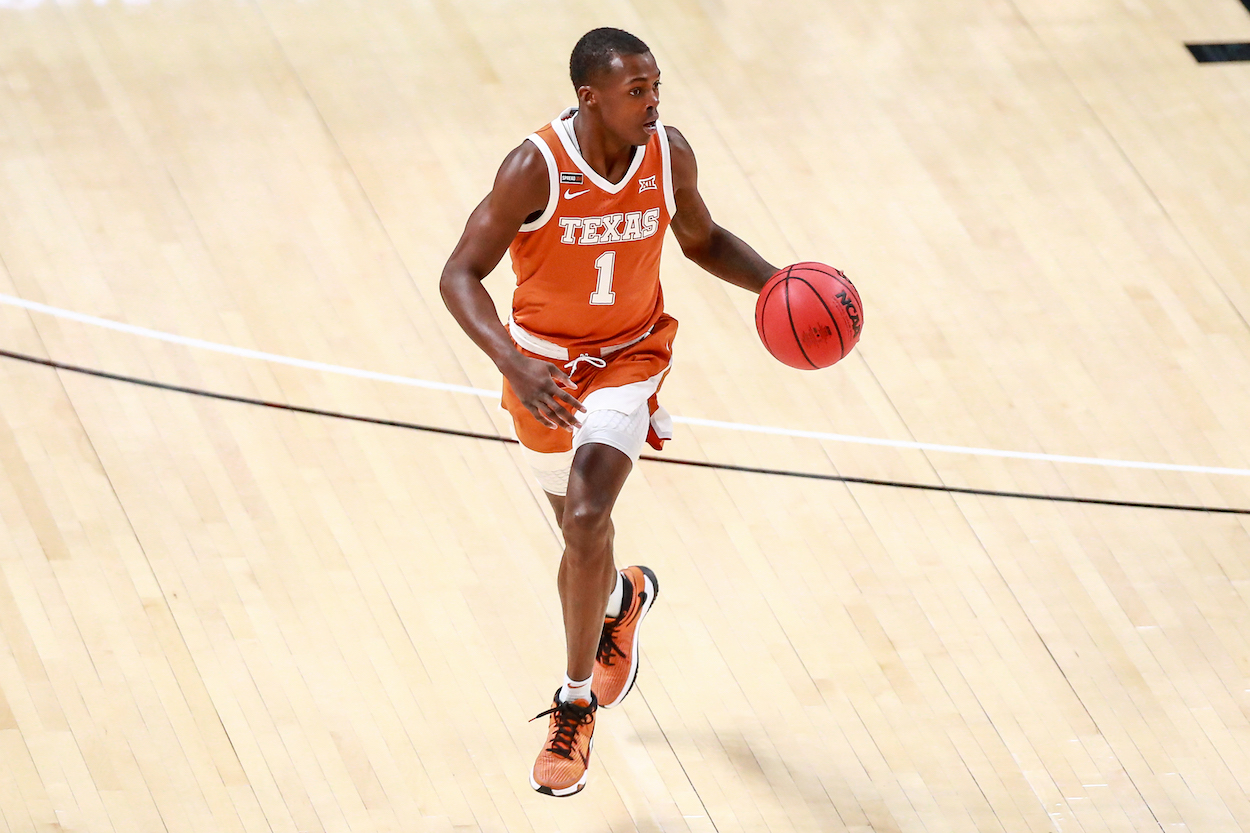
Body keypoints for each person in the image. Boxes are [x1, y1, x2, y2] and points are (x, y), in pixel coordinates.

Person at [440, 27, 778, 797]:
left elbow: (702, 239)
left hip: (630, 356)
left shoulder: (669, 153)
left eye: (657, 87)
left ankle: (573, 702)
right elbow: (459, 273)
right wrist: (515, 362)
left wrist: (781, 282)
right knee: (574, 529)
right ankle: (623, 601)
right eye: (636, 91)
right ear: (589, 97)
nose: (653, 101)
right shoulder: (535, 166)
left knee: (587, 518)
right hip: (542, 368)